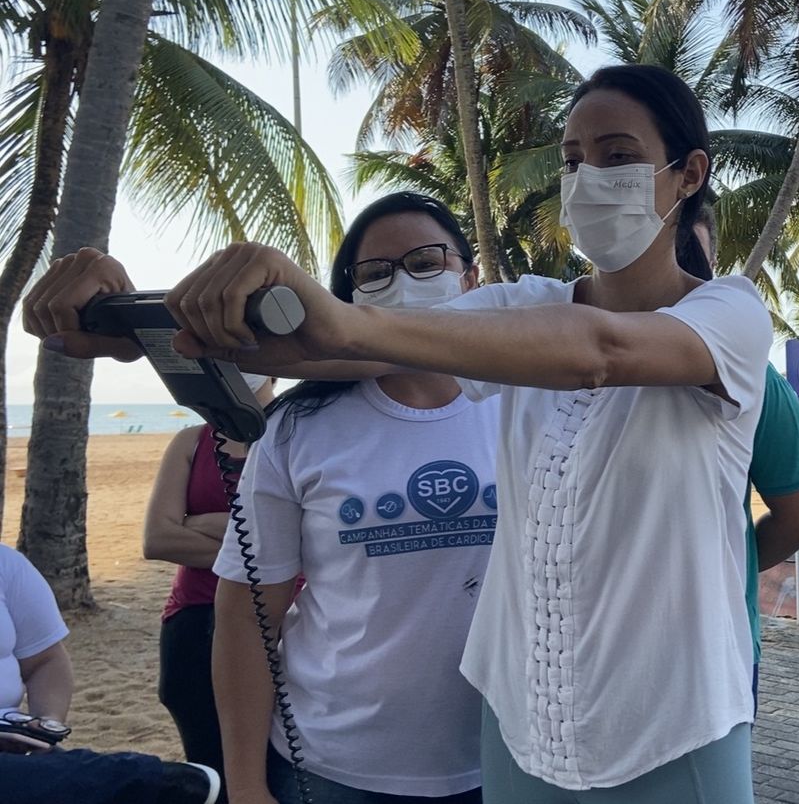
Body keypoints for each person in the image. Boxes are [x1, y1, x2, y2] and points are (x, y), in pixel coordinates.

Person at [24, 63, 772, 803]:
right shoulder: (525, 306)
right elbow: (342, 346)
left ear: (686, 175)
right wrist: (135, 327)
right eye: (573, 160)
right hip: (521, 729)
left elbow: (599, 352)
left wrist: (342, 315)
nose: (588, 177)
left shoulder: (728, 316)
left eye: (618, 155)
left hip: (670, 728)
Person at [210, 193, 496, 804]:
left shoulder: (524, 402)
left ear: (470, 277)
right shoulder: (296, 429)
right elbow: (245, 613)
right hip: (337, 765)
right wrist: (244, 783)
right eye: (376, 273)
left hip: (509, 758)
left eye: (426, 262)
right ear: (347, 300)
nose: (403, 282)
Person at [690, 205, 799, 708]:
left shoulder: (759, 381)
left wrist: (727, 567)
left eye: (689, 259)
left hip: (720, 648)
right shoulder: (576, 373)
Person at [0, 543, 221, 804]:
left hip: (12, 744)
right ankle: (147, 780)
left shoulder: (8, 566)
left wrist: (45, 727)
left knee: (45, 775)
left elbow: (45, 662)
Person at [144, 373, 275, 793]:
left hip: (285, 619)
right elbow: (159, 539)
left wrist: (199, 523)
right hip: (194, 622)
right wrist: (262, 542)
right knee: (211, 765)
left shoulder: (300, 437)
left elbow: (315, 539)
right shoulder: (191, 442)